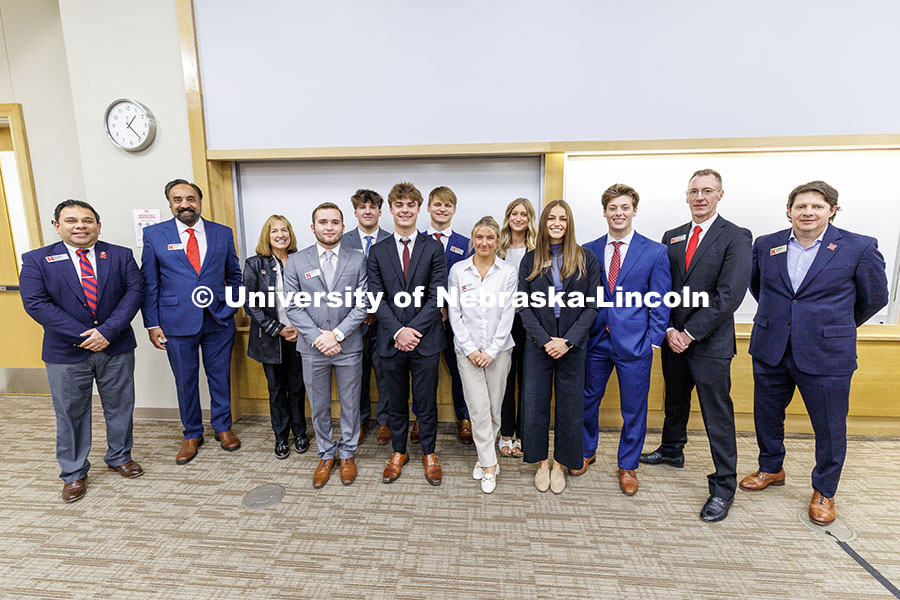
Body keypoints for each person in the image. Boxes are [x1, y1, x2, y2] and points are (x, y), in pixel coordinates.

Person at [739, 181, 888, 525]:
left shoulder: (859, 247)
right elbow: (758, 287)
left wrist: (833, 325)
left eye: (817, 207)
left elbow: (875, 297)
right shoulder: (766, 244)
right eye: (801, 206)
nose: (808, 212)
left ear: (833, 211)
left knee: (829, 427)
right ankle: (770, 468)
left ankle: (825, 489)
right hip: (771, 346)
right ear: (788, 210)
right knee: (767, 415)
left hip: (827, 353)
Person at [640, 169, 752, 522]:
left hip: (710, 342)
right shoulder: (672, 237)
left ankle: (723, 487)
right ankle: (673, 450)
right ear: (686, 197)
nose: (699, 197)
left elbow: (729, 295)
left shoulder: (735, 236)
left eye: (707, 190)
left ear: (720, 195)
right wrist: (670, 329)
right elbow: (661, 288)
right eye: (693, 191)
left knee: (716, 414)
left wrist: (690, 332)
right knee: (674, 400)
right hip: (673, 339)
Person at [20, 200, 144, 502]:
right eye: (72, 220)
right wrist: (86, 335)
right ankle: (74, 472)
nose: (80, 226)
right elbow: (36, 304)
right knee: (71, 412)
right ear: (57, 226)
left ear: (98, 226)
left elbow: (134, 292)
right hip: (65, 351)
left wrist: (107, 331)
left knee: (120, 405)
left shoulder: (120, 255)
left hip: (115, 346)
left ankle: (119, 456)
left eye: (87, 221)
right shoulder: (37, 260)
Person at [141, 179, 243, 465]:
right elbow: (150, 284)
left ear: (199, 201)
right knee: (185, 380)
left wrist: (230, 308)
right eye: (177, 199)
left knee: (219, 376)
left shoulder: (222, 233)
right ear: (170, 203)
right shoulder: (155, 235)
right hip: (176, 321)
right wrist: (152, 324)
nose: (184, 204)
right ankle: (192, 433)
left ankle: (223, 427)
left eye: (190, 198)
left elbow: (234, 276)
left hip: (217, 320)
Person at [578, 184, 671, 496]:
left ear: (634, 211)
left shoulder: (655, 251)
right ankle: (586, 450)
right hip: (594, 340)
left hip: (635, 344)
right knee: (588, 399)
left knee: (634, 408)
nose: (618, 213)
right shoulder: (587, 249)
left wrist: (653, 341)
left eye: (624, 208)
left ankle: (628, 464)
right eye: (613, 208)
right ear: (604, 212)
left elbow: (660, 300)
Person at [518, 199, 600, 494]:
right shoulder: (530, 259)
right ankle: (542, 462)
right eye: (551, 218)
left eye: (562, 219)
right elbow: (523, 306)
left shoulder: (586, 258)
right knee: (536, 404)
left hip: (573, 345)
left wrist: (567, 341)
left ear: (569, 224)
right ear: (543, 223)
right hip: (538, 342)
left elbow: (592, 306)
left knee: (570, 406)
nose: (556, 223)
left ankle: (562, 464)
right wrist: (544, 340)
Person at [367, 182, 447, 485]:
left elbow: (437, 295)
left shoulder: (433, 248)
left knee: (425, 402)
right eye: (399, 205)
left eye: (410, 205)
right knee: (396, 402)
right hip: (391, 341)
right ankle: (399, 452)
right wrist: (398, 331)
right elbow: (376, 297)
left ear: (418, 209)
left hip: (425, 341)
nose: (404, 210)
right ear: (390, 210)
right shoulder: (377, 251)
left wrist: (412, 330)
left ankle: (429, 452)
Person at [284, 202, 368, 488]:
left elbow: (363, 304)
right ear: (313, 227)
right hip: (312, 348)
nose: (329, 227)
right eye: (323, 222)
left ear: (343, 227)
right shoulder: (296, 261)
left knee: (350, 404)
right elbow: (293, 306)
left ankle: (347, 453)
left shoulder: (357, 259)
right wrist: (319, 337)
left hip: (348, 346)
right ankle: (325, 453)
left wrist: (338, 335)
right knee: (318, 405)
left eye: (334, 222)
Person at [448, 216, 518, 493]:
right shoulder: (458, 270)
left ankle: (482, 455)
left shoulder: (508, 272)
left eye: (490, 238)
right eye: (479, 237)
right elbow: (455, 313)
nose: (484, 242)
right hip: (466, 352)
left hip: (499, 350)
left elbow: (508, 313)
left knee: (494, 407)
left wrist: (490, 350)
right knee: (477, 408)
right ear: (473, 240)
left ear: (497, 240)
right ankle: (490, 465)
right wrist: (470, 349)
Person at [242, 215, 309, 459]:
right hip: (270, 339)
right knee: (277, 389)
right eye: (274, 231)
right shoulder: (254, 264)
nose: (280, 235)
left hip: (299, 336)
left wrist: (301, 328)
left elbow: (313, 298)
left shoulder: (301, 261)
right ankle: (281, 437)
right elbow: (250, 304)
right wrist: (277, 328)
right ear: (266, 236)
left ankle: (300, 432)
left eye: (285, 230)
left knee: (298, 388)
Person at [341, 189, 392, 445]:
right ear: (356, 212)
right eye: (363, 207)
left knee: (385, 372)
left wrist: (376, 311)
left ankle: (385, 421)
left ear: (380, 211)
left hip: (384, 321)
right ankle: (359, 421)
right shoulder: (342, 240)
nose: (368, 211)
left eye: (373, 207)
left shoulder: (391, 240)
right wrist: (359, 313)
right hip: (352, 322)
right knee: (355, 375)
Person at [424, 185, 473, 445]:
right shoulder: (417, 241)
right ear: (428, 207)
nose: (442, 209)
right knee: (425, 372)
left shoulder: (466, 244)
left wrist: (450, 308)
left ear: (454, 210)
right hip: (425, 320)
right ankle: (422, 419)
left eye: (448, 205)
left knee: (460, 371)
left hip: (458, 321)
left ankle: (464, 419)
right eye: (437, 204)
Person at [496, 198, 537, 458]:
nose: (519, 218)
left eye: (524, 214)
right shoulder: (497, 247)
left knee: (527, 379)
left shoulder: (538, 249)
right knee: (505, 379)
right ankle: (506, 432)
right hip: (501, 321)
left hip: (529, 322)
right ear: (508, 216)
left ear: (530, 218)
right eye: (514, 213)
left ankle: (523, 434)